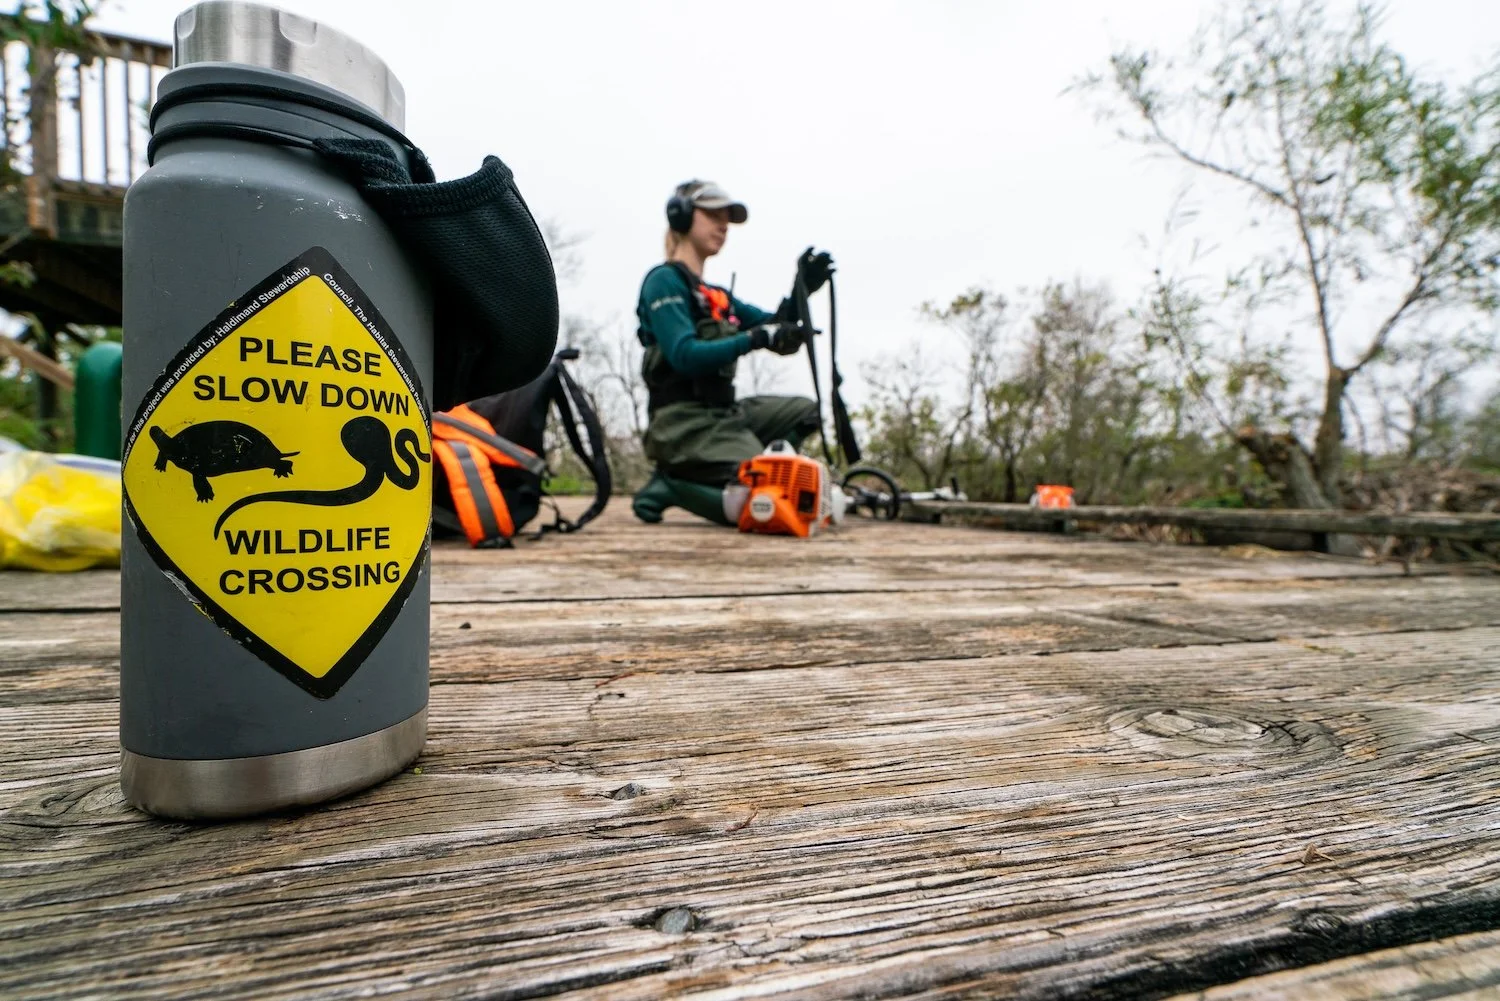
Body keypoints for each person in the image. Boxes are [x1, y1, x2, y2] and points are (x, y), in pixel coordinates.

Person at [632, 179, 833, 525]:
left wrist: (802, 291)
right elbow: (684, 354)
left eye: (726, 218)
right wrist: (755, 338)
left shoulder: (718, 297)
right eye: (713, 215)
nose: (723, 225)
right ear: (681, 216)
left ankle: (754, 468)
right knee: (768, 502)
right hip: (682, 425)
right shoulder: (664, 282)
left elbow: (774, 328)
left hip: (726, 416)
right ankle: (671, 486)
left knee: (806, 413)